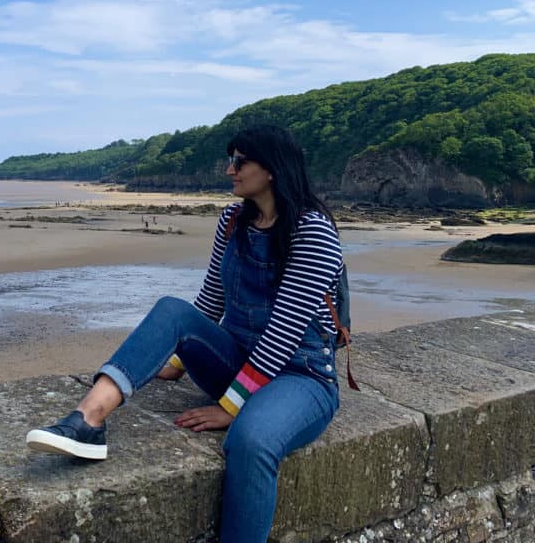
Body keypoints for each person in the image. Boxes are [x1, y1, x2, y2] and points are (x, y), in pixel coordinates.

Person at [26, 125, 344, 542]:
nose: (230, 170)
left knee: (251, 443)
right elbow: (211, 300)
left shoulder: (314, 231)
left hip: (299, 377)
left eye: (239, 161)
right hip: (241, 363)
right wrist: (176, 358)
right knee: (172, 310)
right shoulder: (233, 220)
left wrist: (230, 408)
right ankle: (87, 420)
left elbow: (283, 333)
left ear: (272, 169)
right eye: (230, 160)